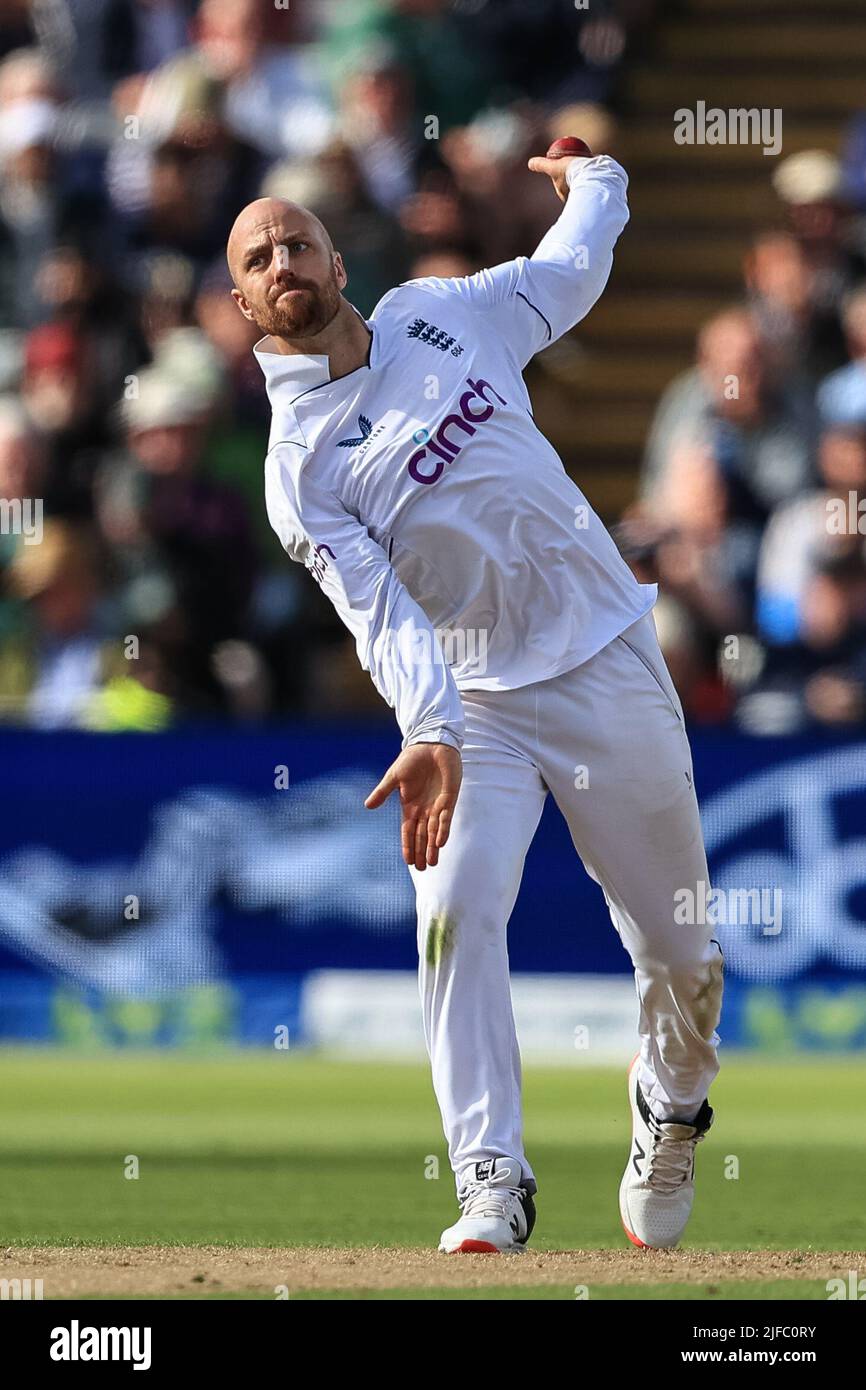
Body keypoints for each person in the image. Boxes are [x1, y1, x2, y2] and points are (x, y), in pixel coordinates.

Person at [226, 146, 724, 1254]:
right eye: (259, 257)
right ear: (244, 301)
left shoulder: (434, 314)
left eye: (296, 240)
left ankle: (671, 1107)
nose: (282, 261)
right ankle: (491, 1177)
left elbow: (563, 273)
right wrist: (429, 726)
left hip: (602, 650)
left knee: (683, 957)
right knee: (450, 915)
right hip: (473, 706)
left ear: (335, 256)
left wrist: (597, 182)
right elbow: (380, 615)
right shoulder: (297, 461)